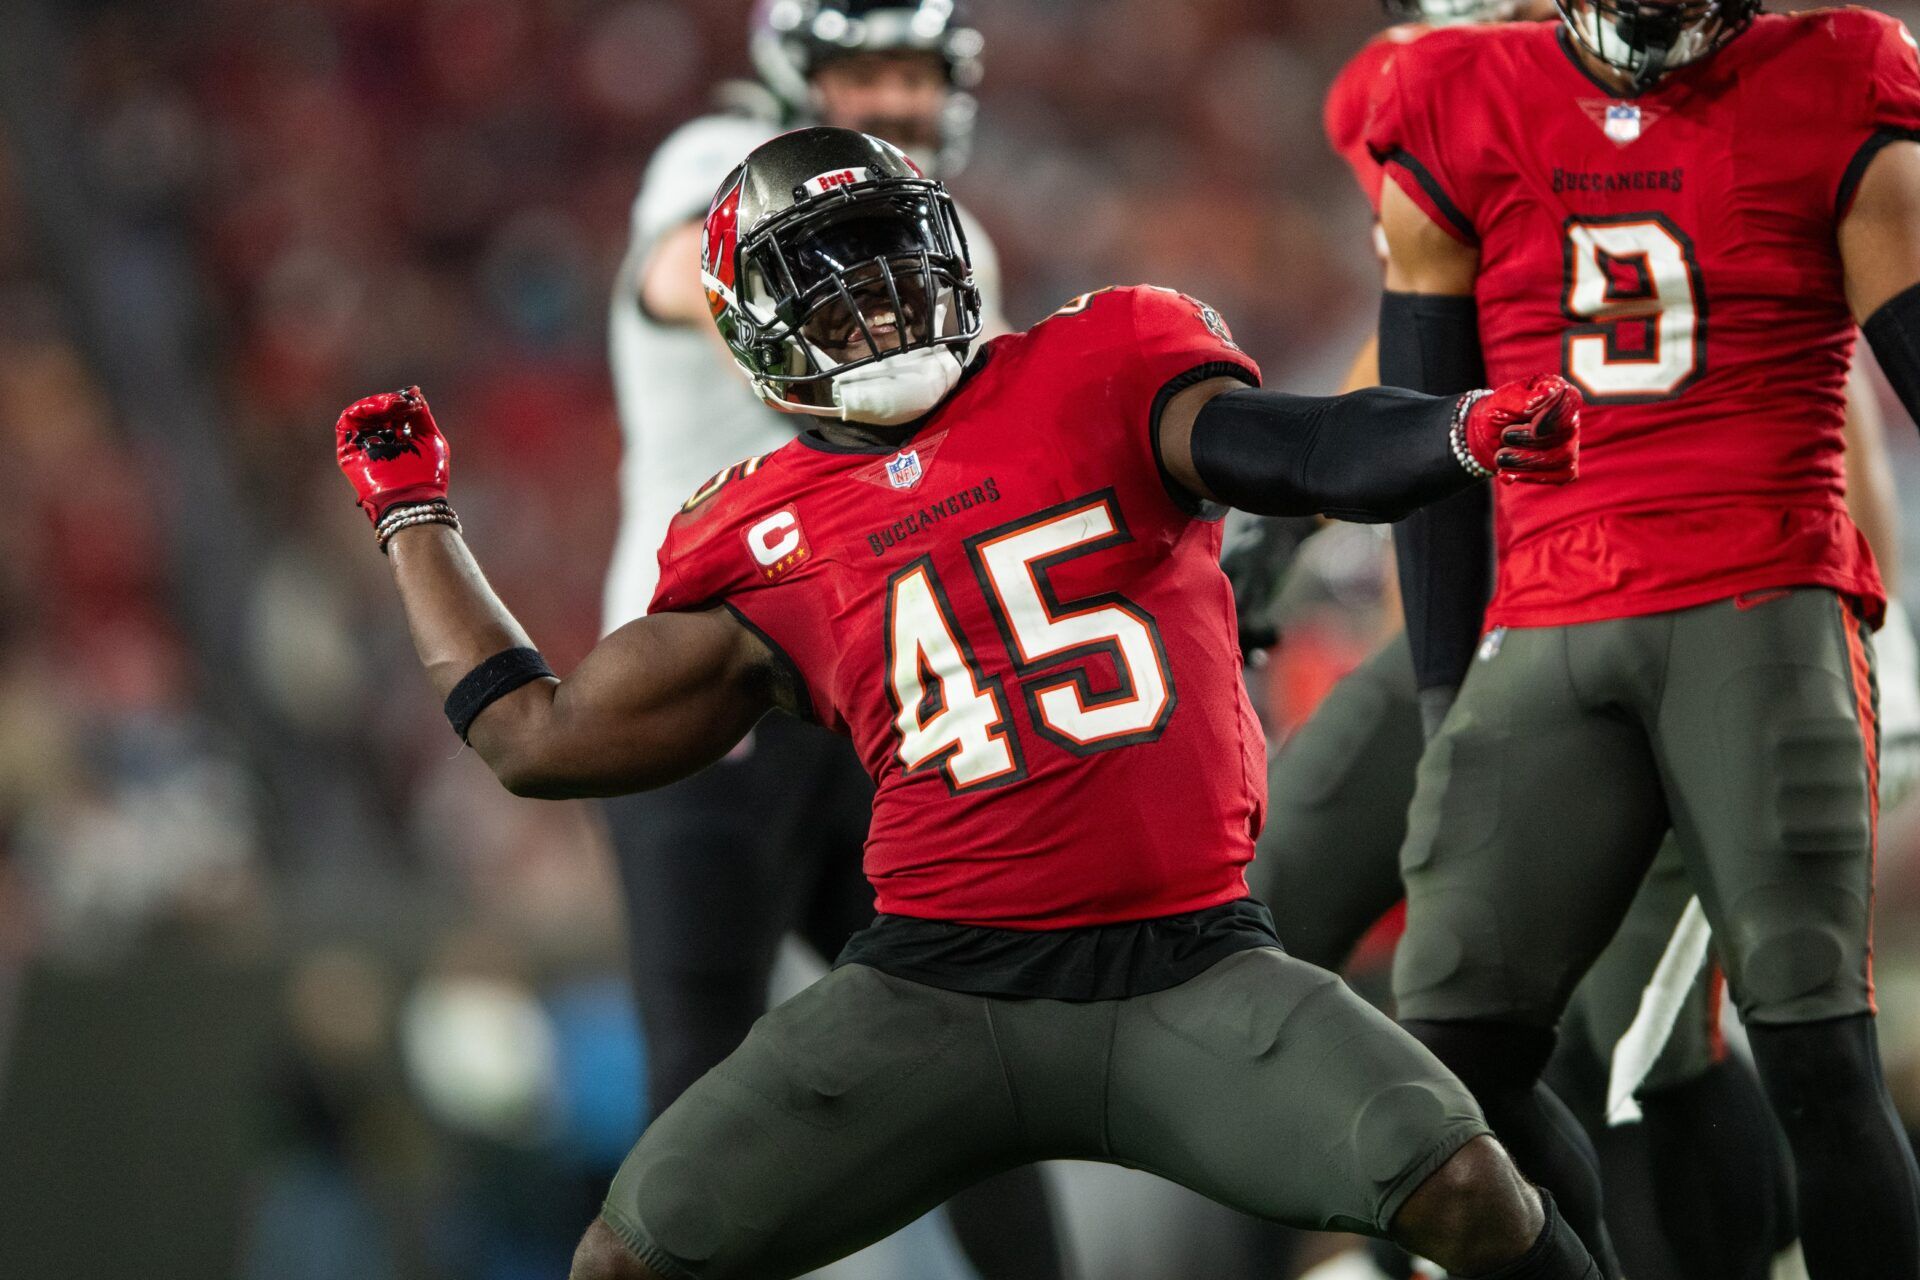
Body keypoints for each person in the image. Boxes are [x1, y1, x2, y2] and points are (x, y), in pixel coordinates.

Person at [335, 126, 1598, 1280]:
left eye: (889, 257)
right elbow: (536, 738)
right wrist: (415, 518)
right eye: (827, 272)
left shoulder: (1102, 367)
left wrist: (1458, 432)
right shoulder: (757, 531)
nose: (874, 298)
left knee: (1472, 1187)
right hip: (932, 993)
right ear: (756, 328)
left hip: (1188, 964)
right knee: (627, 1259)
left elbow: (1303, 445)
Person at [1369, 2, 1920, 1274]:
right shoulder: (1461, 90)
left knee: (1817, 1051)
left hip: (1759, 593)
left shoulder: (1831, 71)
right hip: (1547, 617)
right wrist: (1445, 682)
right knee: (1436, 1075)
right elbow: (1428, 432)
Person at [598, 3, 1054, 1273]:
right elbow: (665, 274)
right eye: (867, 68)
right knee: (700, 1062)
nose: (895, 98)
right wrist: (803, 291)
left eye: (915, 71)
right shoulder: (718, 163)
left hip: (870, 694)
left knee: (977, 1040)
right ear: (799, 72)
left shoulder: (961, 245)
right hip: (701, 690)